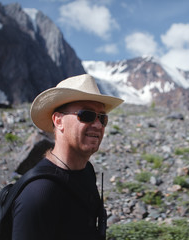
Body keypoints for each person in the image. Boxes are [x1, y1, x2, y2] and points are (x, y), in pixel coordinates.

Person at [11, 74, 124, 240]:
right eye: (87, 115)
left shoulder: (86, 171)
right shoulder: (39, 193)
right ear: (58, 121)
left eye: (102, 117)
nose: (99, 125)